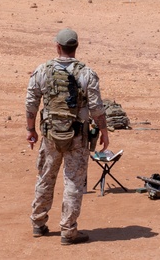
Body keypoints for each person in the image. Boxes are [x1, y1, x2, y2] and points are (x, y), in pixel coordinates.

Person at [26, 28, 109, 245]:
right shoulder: (87, 73)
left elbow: (31, 103)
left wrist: (30, 130)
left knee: (45, 177)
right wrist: (104, 132)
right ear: (76, 48)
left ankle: (38, 223)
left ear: (58, 47)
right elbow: (96, 108)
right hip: (77, 137)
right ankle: (68, 231)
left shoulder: (42, 70)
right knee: (73, 182)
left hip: (50, 136)